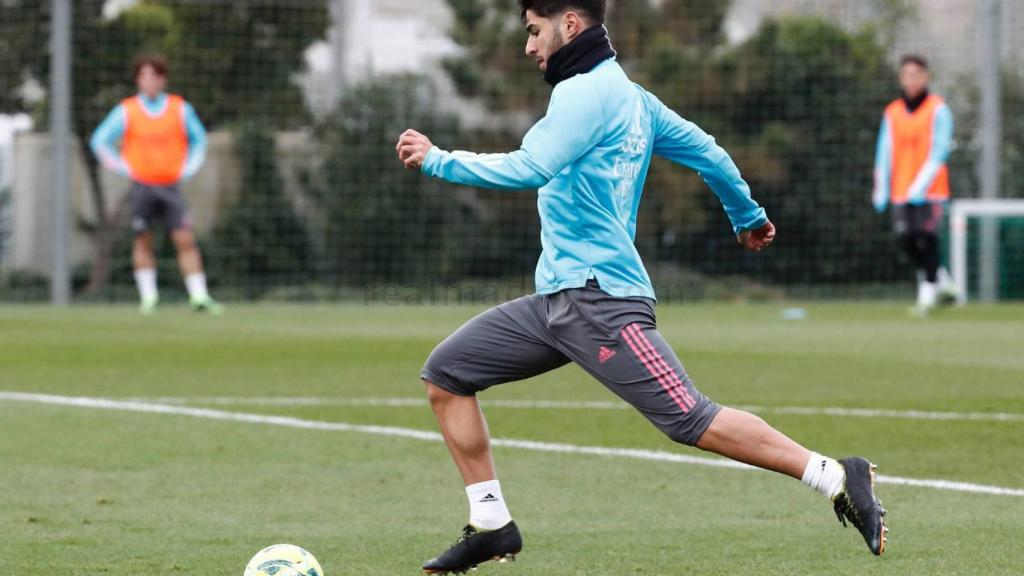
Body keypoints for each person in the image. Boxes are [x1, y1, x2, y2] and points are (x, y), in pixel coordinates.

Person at [397, 2, 887, 573]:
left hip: (600, 303)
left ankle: (834, 475)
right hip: (556, 302)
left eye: (534, 32)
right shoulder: (635, 100)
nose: (529, 47)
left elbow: (530, 166)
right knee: (448, 375)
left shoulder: (583, 93)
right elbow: (711, 153)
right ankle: (490, 524)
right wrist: (747, 215)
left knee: (690, 418)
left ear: (570, 25)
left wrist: (438, 161)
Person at [91, 53, 222, 315]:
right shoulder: (127, 110)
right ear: (138, 80)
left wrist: (189, 168)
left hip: (170, 186)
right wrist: (122, 166)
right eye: (144, 76)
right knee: (143, 239)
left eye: (155, 76)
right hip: (142, 185)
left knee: (184, 239)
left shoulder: (179, 108)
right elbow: (99, 141)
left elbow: (199, 141)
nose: (150, 81)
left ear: (163, 79)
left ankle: (199, 296)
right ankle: (149, 297)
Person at [874, 54, 956, 315]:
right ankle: (942, 279)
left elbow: (940, 150)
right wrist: (881, 187)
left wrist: (920, 184)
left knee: (927, 238)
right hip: (901, 189)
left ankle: (928, 294)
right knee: (906, 238)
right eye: (906, 75)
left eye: (916, 75)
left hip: (930, 190)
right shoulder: (893, 112)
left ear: (926, 77)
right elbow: (884, 151)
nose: (911, 80)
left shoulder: (938, 109)